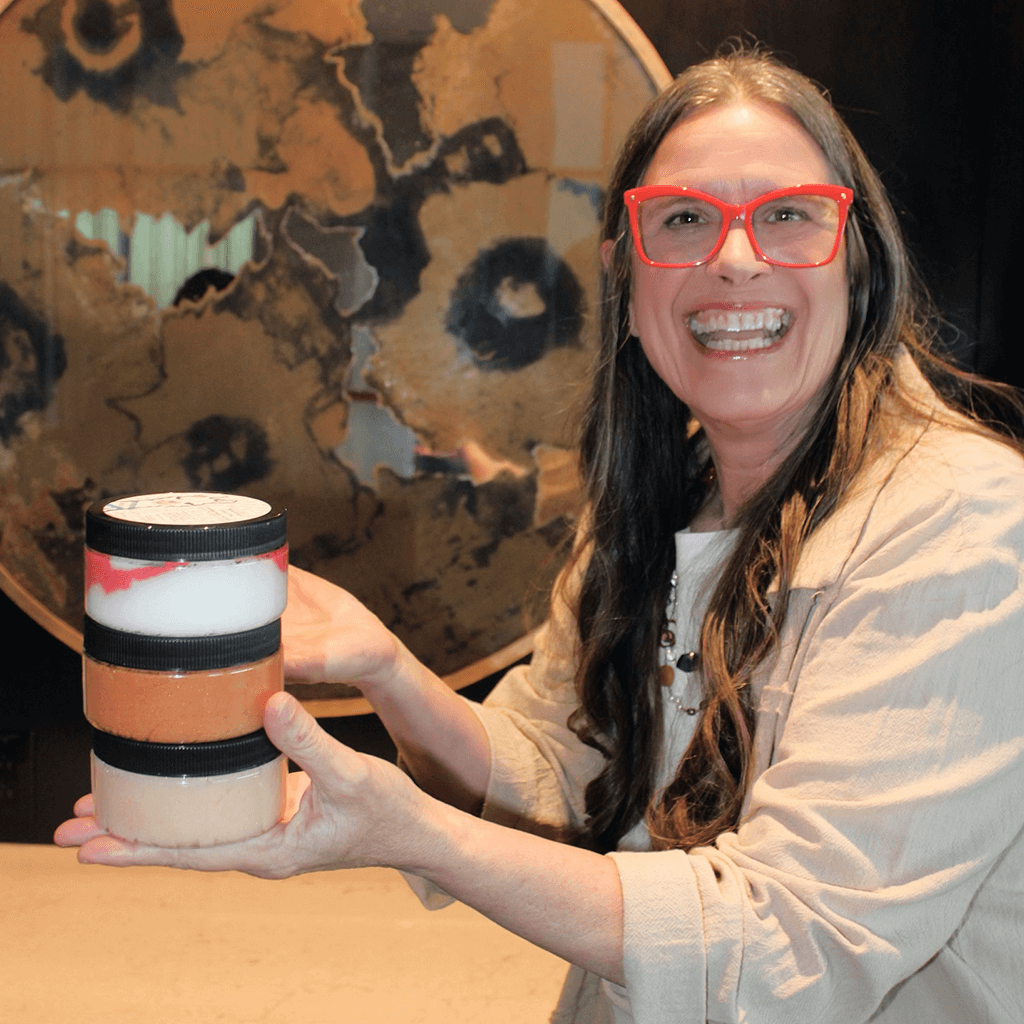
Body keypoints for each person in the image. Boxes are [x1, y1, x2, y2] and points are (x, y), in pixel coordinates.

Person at [56, 47, 1024, 1024]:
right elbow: (558, 771)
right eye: (682, 221)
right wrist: (386, 669)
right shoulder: (662, 499)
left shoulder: (962, 523)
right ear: (626, 273)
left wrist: (421, 836)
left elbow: (790, 948)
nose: (735, 258)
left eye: (787, 216)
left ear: (855, 259)